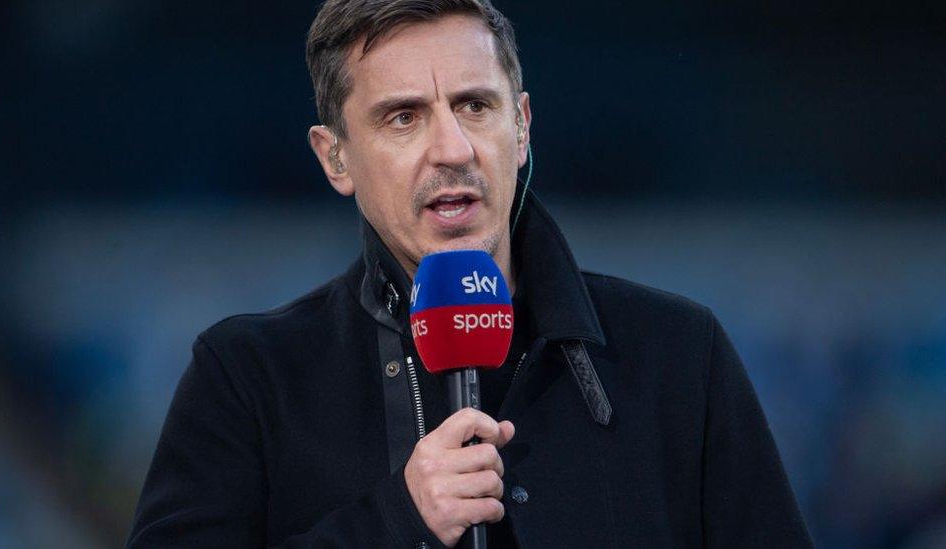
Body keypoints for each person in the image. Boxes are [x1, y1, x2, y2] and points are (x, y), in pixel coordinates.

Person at [126, 1, 813, 547]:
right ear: (335, 158)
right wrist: (397, 518)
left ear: (522, 127)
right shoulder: (246, 377)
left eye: (475, 106)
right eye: (404, 117)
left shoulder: (679, 355)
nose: (451, 147)